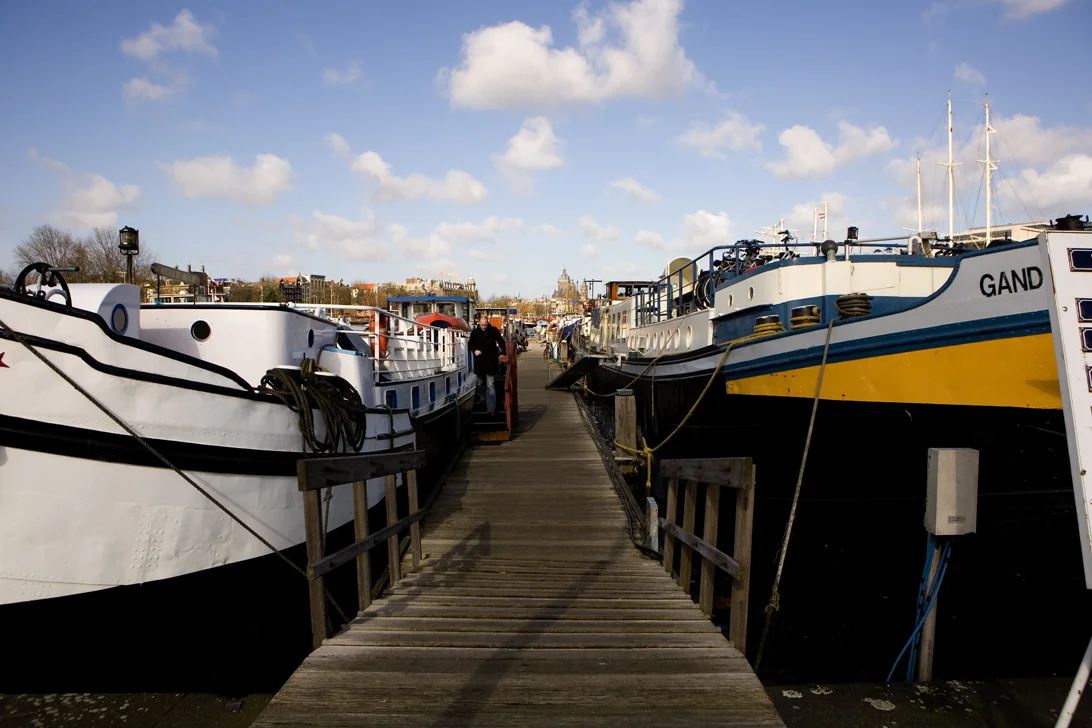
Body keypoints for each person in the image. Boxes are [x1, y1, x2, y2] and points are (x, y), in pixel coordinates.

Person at [468, 313, 506, 414]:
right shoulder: (475, 333)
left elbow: (501, 341)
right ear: (479, 324)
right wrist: (475, 350)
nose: (483, 327)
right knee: (480, 383)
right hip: (479, 362)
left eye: (485, 325)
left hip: (490, 362)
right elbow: (470, 344)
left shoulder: (493, 331)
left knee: (490, 385)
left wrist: (503, 352)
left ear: (487, 323)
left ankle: (491, 409)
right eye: (482, 325)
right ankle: (482, 400)